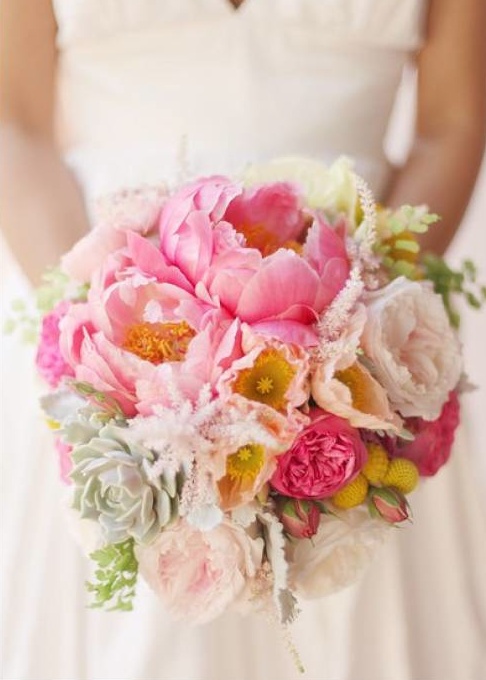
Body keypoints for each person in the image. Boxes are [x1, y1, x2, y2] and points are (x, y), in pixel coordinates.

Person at [1, 1, 485, 678]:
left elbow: (452, 125)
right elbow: (15, 124)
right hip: (113, 357)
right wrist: (103, 345)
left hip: (356, 374)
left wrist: (350, 335)